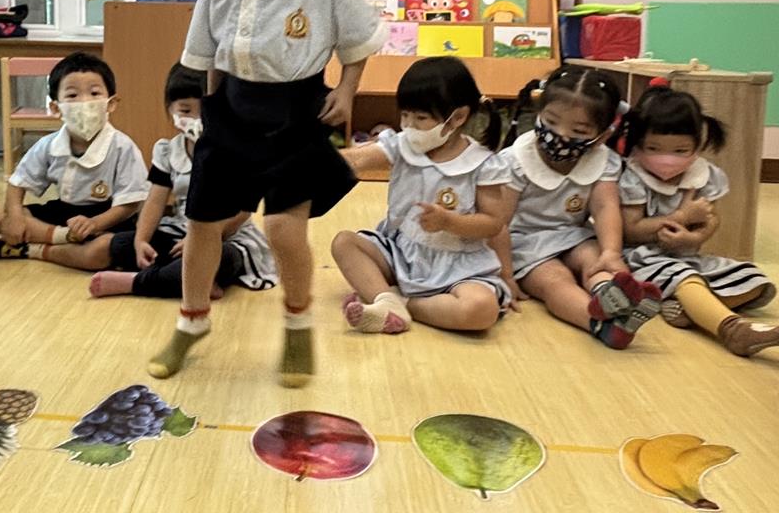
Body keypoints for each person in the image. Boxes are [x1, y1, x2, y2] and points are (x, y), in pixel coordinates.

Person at [147, 0, 386, 386]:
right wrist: (210, 112)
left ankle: (298, 326)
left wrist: (347, 90)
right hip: (231, 110)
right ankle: (191, 321)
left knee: (283, 227)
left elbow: (358, 38)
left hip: (295, 114)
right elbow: (207, 56)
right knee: (201, 223)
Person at [332, 57, 511, 334]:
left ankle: (398, 302)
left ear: (458, 117)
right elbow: (358, 159)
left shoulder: (482, 164)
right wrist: (311, 158)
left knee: (480, 310)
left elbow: (493, 223)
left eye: (421, 118)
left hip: (458, 266)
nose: (409, 126)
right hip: (401, 253)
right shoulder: (403, 145)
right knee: (344, 243)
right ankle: (387, 300)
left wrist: (450, 222)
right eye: (405, 115)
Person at [493, 66, 662, 349]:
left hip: (574, 236)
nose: (560, 134)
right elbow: (498, 223)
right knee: (556, 280)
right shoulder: (515, 160)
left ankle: (612, 296)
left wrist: (611, 253)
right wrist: (505, 275)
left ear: (602, 135)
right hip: (524, 243)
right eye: (551, 121)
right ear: (538, 113)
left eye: (579, 130)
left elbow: (606, 207)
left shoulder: (603, 160)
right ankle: (598, 322)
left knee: (595, 262)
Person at [89, 63, 277, 299]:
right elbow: (155, 201)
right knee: (120, 244)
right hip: (180, 231)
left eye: (205, 110)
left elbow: (242, 211)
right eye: (186, 111)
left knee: (220, 258)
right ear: (170, 110)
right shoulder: (169, 151)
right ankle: (188, 279)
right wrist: (141, 239)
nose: (197, 119)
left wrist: (202, 239)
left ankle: (137, 282)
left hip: (227, 236)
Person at [619, 83, 778, 356]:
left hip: (689, 256)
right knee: (686, 278)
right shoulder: (633, 176)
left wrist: (694, 237)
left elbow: (711, 220)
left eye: (680, 151)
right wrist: (681, 216)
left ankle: (689, 309)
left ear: (698, 144)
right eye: (654, 148)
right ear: (638, 143)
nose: (666, 159)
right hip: (642, 260)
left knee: (755, 281)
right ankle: (732, 329)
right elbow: (631, 230)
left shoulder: (705, 175)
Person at [0, 52, 148, 269]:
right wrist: (14, 218)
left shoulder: (122, 147)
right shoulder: (48, 145)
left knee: (105, 248)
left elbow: (130, 204)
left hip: (107, 219)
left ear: (111, 103)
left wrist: (94, 224)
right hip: (63, 214)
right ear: (55, 108)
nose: (84, 102)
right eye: (72, 95)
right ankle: (64, 239)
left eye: (94, 93)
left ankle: (35, 249)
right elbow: (17, 183)